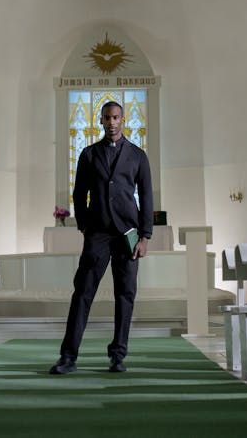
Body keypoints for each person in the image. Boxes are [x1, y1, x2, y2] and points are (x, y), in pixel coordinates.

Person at [50, 100, 153, 374]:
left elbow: (146, 197)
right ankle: (68, 356)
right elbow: (79, 194)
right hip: (98, 234)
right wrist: (85, 226)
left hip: (128, 234)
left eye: (116, 117)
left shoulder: (138, 156)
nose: (112, 122)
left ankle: (118, 355)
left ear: (123, 119)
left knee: (125, 294)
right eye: (107, 118)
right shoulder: (88, 154)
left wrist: (145, 236)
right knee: (82, 292)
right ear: (101, 120)